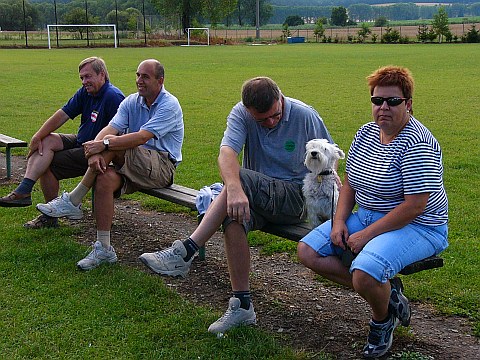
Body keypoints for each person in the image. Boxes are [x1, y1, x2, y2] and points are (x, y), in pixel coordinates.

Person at [139, 76, 338, 334]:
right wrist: (233, 191)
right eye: (261, 119)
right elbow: (226, 153)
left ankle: (185, 252)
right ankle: (242, 306)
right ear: (248, 111)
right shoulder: (240, 113)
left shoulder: (305, 115)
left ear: (281, 98)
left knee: (239, 178)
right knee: (233, 215)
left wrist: (338, 209)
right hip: (257, 198)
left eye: (275, 115)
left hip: (294, 198)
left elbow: (331, 158)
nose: (270, 122)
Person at [297, 66, 448, 358]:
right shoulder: (366, 133)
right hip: (368, 214)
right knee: (307, 251)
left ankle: (382, 321)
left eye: (393, 101)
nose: (383, 108)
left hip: (419, 225)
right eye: (377, 100)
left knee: (364, 273)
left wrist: (365, 235)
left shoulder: (418, 143)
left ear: (409, 104)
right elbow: (350, 182)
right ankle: (389, 295)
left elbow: (415, 205)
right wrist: (339, 221)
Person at [36, 59, 184, 271]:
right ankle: (104, 248)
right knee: (104, 178)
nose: (139, 81)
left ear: (160, 80)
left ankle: (74, 199)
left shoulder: (170, 104)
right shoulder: (131, 101)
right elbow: (110, 127)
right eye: (137, 75)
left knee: (117, 143)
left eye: (145, 77)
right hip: (134, 164)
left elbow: (141, 137)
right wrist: (98, 148)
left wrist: (103, 145)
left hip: (161, 167)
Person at [0, 57, 125, 229]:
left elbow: (121, 134)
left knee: (48, 164)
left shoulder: (113, 96)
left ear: (102, 74)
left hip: (97, 151)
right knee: (47, 140)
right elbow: (63, 114)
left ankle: (49, 217)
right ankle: (24, 189)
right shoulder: (86, 92)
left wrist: (100, 148)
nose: (84, 81)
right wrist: (37, 136)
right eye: (82, 78)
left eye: (88, 77)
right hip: (82, 142)